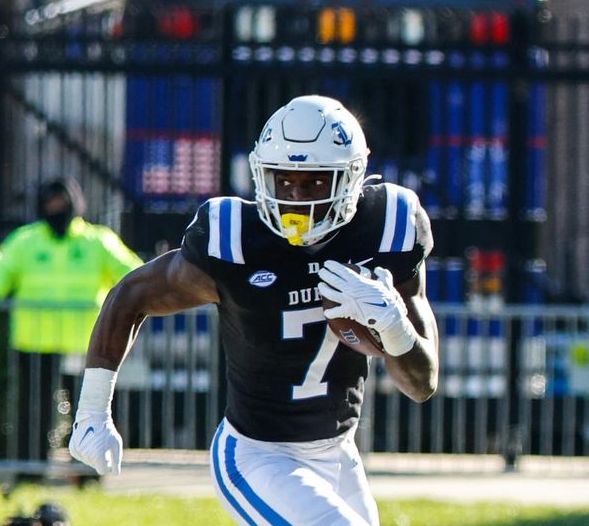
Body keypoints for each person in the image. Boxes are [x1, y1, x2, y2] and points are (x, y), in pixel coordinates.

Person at [69, 95, 438, 524]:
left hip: (338, 452)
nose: (297, 198)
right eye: (284, 180)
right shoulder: (236, 240)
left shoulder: (387, 227)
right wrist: (92, 410)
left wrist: (394, 327)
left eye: (316, 182)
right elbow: (130, 295)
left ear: (351, 178)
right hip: (259, 455)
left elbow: (422, 383)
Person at [0, 177, 143, 463]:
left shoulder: (96, 240)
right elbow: (3, 271)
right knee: (33, 410)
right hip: (35, 340)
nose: (56, 208)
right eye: (50, 202)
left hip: (86, 343)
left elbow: (130, 273)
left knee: (89, 410)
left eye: (61, 202)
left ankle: (87, 470)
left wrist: (148, 293)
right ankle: (31, 466)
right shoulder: (26, 240)